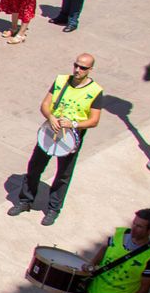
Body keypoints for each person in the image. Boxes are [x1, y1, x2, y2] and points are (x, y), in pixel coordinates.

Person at [9, 53, 102, 226]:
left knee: (63, 174)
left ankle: (53, 209)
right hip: (51, 130)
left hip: (71, 136)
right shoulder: (61, 80)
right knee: (35, 166)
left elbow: (94, 120)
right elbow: (45, 104)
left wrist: (73, 124)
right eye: (76, 65)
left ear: (90, 70)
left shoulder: (95, 91)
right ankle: (25, 200)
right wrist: (51, 117)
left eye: (82, 68)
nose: (77, 70)